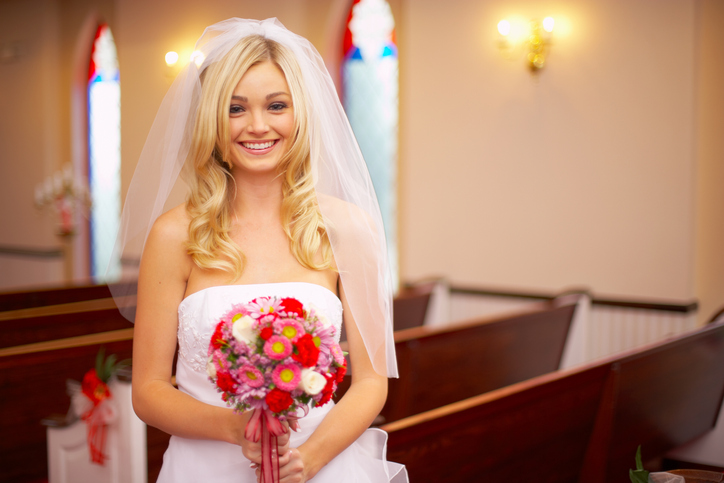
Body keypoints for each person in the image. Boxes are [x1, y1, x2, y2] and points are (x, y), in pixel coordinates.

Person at [111, 18, 407, 483]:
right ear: (212, 117)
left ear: (300, 113)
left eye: (276, 105)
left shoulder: (349, 229)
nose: (257, 126)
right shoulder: (174, 235)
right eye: (235, 108)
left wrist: (310, 459)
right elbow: (147, 391)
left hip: (321, 465)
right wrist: (234, 427)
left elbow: (371, 382)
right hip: (203, 469)